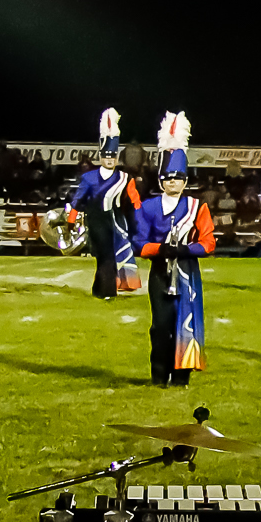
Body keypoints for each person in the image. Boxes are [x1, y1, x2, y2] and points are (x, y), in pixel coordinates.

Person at [133, 113, 215, 386]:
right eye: (168, 178)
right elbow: (138, 243)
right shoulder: (147, 207)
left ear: (185, 181)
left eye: (178, 178)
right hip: (160, 273)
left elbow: (208, 243)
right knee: (161, 326)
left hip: (188, 272)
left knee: (186, 323)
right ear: (160, 181)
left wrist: (186, 250)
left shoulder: (197, 207)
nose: (173, 183)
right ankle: (159, 376)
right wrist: (160, 249)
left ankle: (181, 378)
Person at [51, 108, 141, 300]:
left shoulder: (125, 178)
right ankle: (106, 290)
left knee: (108, 256)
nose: (109, 160)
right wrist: (71, 220)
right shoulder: (89, 177)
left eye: (112, 157)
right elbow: (78, 200)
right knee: (103, 255)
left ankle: (102, 290)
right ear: (101, 157)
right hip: (96, 220)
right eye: (106, 156)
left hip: (117, 220)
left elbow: (135, 201)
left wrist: (140, 220)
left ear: (116, 158)